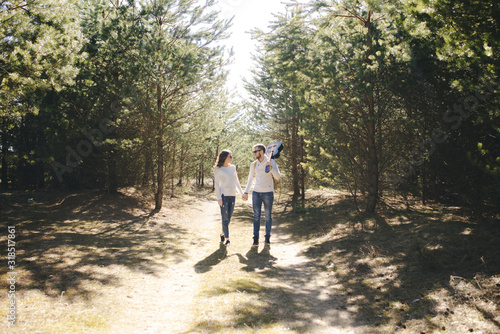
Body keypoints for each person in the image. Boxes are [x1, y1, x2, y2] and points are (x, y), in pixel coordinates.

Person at [242, 144, 281, 246]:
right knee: (256, 216)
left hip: (268, 193)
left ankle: (267, 237)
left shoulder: (271, 161)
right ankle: (255, 238)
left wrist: (271, 168)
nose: (254, 153)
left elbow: (278, 178)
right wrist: (246, 192)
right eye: (254, 151)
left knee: (268, 216)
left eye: (256, 151)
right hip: (256, 193)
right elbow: (250, 179)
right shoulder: (253, 164)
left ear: (262, 152)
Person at [214, 149, 244, 246]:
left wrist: (242, 193)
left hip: (232, 195)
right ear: (225, 157)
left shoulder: (233, 168)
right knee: (225, 218)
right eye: (230, 156)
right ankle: (227, 239)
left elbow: (237, 182)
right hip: (224, 196)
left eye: (231, 156)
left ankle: (222, 233)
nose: (231, 158)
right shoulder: (218, 169)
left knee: (229, 218)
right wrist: (219, 198)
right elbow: (217, 184)